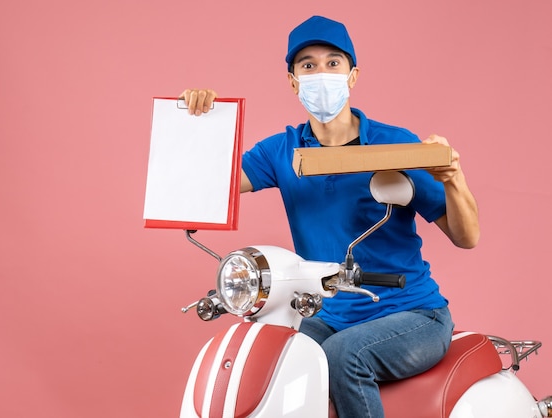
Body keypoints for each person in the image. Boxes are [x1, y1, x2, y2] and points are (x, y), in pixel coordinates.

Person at [180, 15, 479, 418]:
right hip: (330, 313)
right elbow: (210, 187)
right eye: (308, 65)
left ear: (352, 76)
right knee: (272, 351)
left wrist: (454, 179)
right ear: (293, 80)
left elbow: (467, 236)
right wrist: (200, 124)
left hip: (412, 314)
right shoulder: (281, 151)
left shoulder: (396, 146)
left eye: (333, 63)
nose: (321, 73)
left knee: (344, 356)